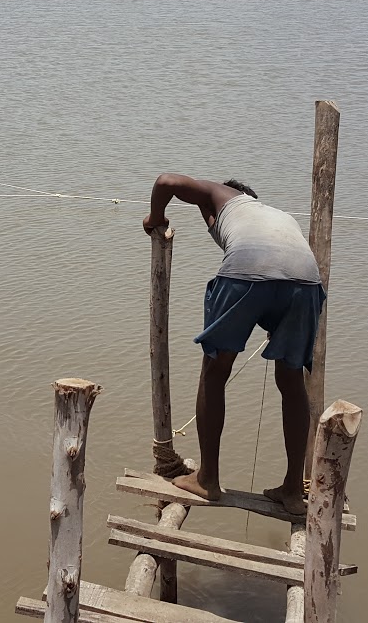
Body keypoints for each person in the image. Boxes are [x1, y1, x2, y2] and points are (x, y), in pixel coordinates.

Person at [142, 174, 325, 515]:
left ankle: (207, 478)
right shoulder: (278, 217)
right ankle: (292, 491)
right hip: (305, 282)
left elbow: (165, 181)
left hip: (246, 270)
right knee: (291, 379)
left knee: (215, 370)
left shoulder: (224, 194)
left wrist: (155, 218)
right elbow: (283, 272)